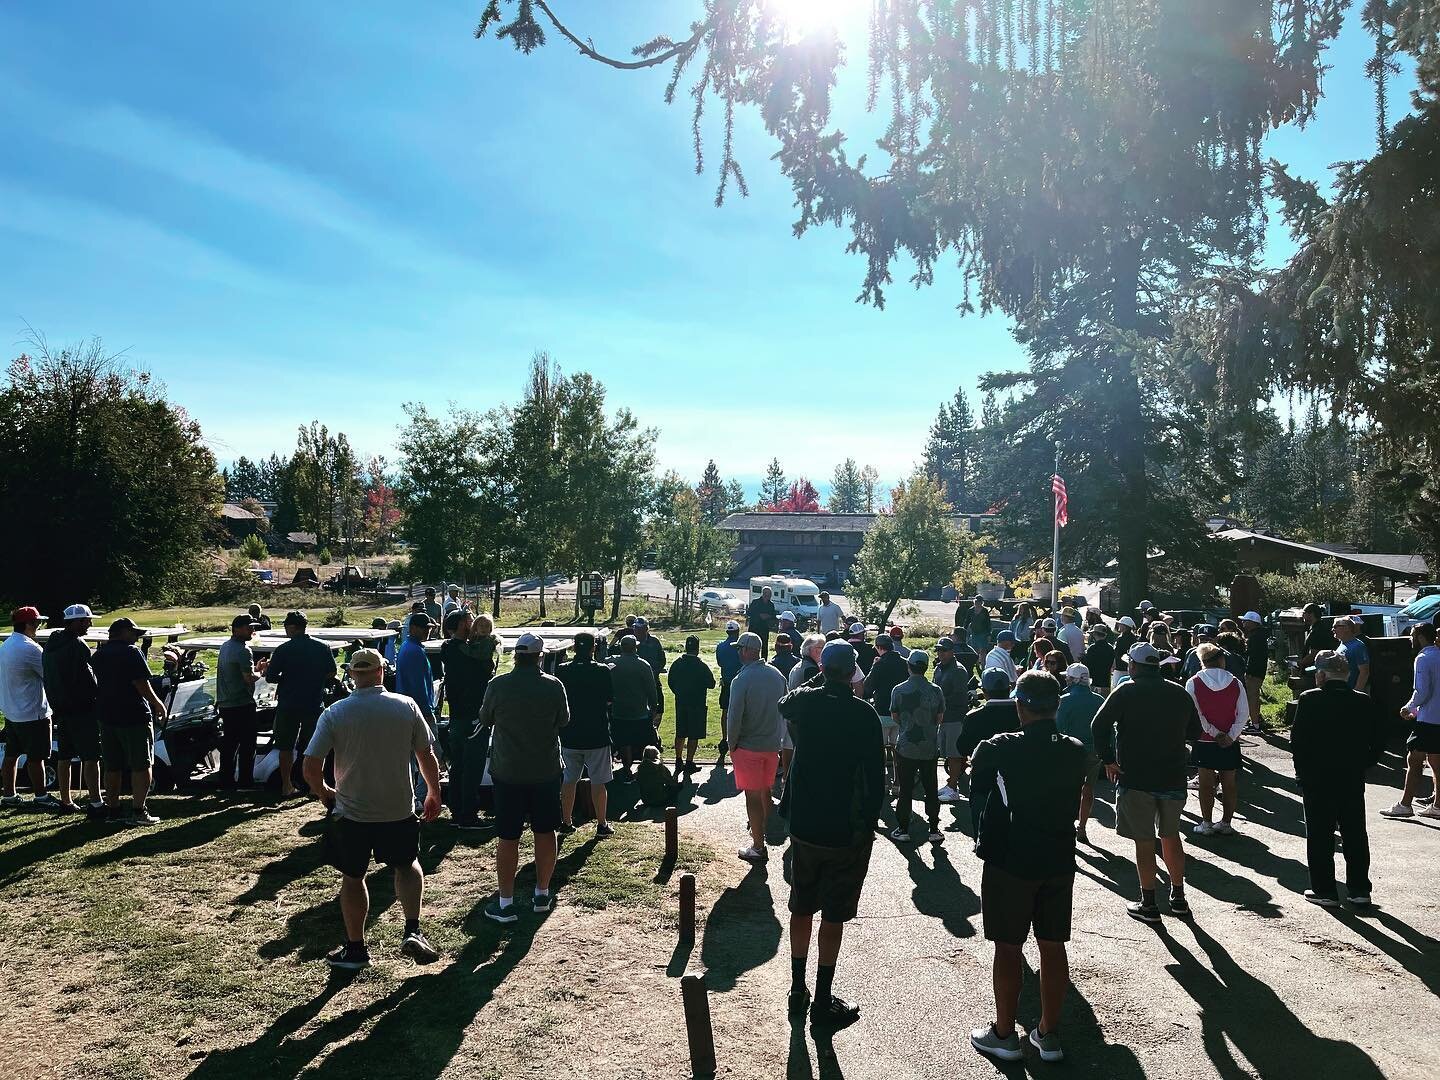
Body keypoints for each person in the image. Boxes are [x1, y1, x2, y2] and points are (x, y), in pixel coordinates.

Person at [969, 670, 1086, 1064]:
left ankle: (1004, 1034)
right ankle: (1048, 1033)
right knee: (1053, 945)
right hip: (1058, 857)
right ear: (1056, 706)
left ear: (1020, 706)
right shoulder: (1074, 749)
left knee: (1008, 945)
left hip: (1010, 859)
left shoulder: (1000, 746)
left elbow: (977, 784)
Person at [303, 648, 441, 969]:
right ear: (381, 672)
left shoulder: (335, 713)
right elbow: (426, 755)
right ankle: (412, 930)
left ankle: (356, 949)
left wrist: (324, 791)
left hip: (352, 812)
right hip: (398, 808)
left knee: (353, 878)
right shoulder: (406, 706)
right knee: (407, 865)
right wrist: (433, 791)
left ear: (352, 676)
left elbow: (311, 764)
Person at [778, 640, 885, 1031]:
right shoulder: (865, 715)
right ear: (853, 670)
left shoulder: (807, 703)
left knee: (801, 905)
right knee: (834, 914)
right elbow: (876, 778)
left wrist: (818, 683)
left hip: (805, 823)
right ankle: (823, 997)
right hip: (847, 827)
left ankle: (796, 988)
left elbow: (784, 704)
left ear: (823, 669)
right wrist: (871, 824)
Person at [1092, 643, 1202, 923]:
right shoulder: (1178, 692)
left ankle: (1149, 902)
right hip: (1173, 774)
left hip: (1136, 776)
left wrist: (1107, 759)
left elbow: (1098, 725)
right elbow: (1195, 731)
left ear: (1133, 666)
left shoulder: (1127, 690)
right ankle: (1178, 897)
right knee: (1171, 835)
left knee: (1144, 841)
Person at [480, 633, 569, 923]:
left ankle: (505, 901)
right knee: (545, 832)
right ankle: (541, 893)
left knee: (508, 836)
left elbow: (485, 718)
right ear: (540, 656)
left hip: (508, 771)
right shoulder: (553, 685)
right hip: (545, 770)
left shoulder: (498, 685)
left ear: (515, 655)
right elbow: (563, 719)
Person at [1291, 649, 1384, 905]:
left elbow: (1298, 741)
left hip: (1317, 777)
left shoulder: (1309, 699)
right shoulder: (1363, 701)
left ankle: (1324, 889)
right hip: (1351, 776)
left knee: (1320, 834)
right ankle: (1359, 890)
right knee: (1355, 833)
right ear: (1347, 674)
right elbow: (1377, 742)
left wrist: (1301, 772)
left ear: (1321, 675)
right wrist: (1363, 764)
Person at [92, 618, 169, 825]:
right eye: (134, 633)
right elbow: (141, 683)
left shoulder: (98, 655)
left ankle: (113, 810)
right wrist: (157, 703)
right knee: (142, 764)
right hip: (134, 715)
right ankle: (138, 811)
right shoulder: (131, 652)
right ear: (123, 632)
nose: (136, 637)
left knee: (112, 765)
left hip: (107, 716)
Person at [265, 610, 339, 800]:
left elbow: (271, 677)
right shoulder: (322, 647)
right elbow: (332, 672)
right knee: (314, 748)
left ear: (292, 627)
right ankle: (314, 786)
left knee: (286, 746)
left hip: (288, 703)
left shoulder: (283, 649)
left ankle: (286, 785)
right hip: (313, 702)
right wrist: (316, 679)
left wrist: (287, 677)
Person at [727, 632, 786, 862]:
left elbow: (734, 717)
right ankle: (760, 831)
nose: (738, 652)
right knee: (765, 791)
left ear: (745, 650)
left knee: (752, 796)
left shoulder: (741, 679)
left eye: (739, 648)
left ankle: (758, 845)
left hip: (748, 745)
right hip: (772, 744)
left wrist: (732, 745)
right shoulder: (777, 675)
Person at [440, 610, 499, 829]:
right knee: (473, 766)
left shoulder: (449, 649)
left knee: (458, 765)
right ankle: (468, 815)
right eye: (471, 620)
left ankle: (456, 811)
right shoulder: (473, 652)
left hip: (456, 715)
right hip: (473, 715)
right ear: (464, 623)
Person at [42, 603, 102, 813]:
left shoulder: (50, 645)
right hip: (82, 708)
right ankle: (96, 801)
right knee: (91, 756)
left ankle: (66, 801)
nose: (89, 624)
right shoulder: (78, 645)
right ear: (75, 622)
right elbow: (89, 680)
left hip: (60, 708)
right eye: (87, 621)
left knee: (65, 756)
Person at [555, 631, 615, 837]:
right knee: (599, 781)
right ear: (593, 648)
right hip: (596, 731)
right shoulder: (602, 670)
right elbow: (609, 700)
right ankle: (601, 823)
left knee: (569, 779)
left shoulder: (563, 670)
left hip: (570, 732)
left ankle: (566, 821)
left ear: (574, 647)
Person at [1185, 643, 1249, 836]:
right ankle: (1226, 822)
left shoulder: (1193, 682)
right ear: (1221, 660)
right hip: (1230, 741)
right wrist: (1230, 735)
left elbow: (1195, 713)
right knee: (1229, 782)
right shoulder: (1235, 682)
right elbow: (1243, 713)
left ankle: (1206, 822)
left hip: (1205, 740)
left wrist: (1213, 732)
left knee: (1205, 783)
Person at [0, 606, 59, 809]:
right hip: (33, 712)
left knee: (11, 755)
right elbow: (50, 675)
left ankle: (9, 794)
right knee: (37, 757)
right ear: (28, 624)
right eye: (37, 623)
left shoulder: (6, 645)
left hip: (12, 711)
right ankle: (41, 797)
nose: (38, 626)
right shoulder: (30, 648)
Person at [1382, 622, 1440, 819]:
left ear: (1421, 636)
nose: (1410, 638)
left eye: (1413, 634)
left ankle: (1405, 805)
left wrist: (1409, 707)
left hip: (1428, 719)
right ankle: (1437, 805)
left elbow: (1422, 691)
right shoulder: (1439, 654)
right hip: (1437, 718)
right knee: (1436, 761)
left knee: (1414, 760)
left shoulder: (1423, 658)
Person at [889, 650, 945, 843]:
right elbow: (939, 718)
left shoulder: (898, 689)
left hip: (906, 745)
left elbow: (895, 716)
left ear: (909, 666)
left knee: (905, 789)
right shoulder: (936, 690)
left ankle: (903, 828)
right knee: (931, 788)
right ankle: (934, 828)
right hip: (929, 745)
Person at [216, 613, 268, 790]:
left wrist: (255, 669)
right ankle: (245, 782)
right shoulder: (244, 650)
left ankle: (226, 782)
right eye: (249, 628)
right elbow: (248, 678)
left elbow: (239, 673)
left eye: (253, 628)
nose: (252, 631)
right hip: (241, 704)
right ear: (236, 629)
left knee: (229, 744)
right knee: (247, 745)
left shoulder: (225, 646)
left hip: (226, 703)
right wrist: (261, 672)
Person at [395, 612, 439, 814]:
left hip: (409, 709)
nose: (428, 631)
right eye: (424, 628)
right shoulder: (414, 651)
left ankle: (413, 796)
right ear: (413, 628)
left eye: (429, 628)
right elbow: (418, 686)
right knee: (428, 753)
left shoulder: (409, 647)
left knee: (413, 756)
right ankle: (421, 796)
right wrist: (427, 712)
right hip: (419, 710)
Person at [1055, 664, 1104, 843]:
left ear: (1071, 679)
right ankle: (1081, 827)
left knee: (1068, 790)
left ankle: (1067, 824)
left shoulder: (1065, 700)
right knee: (1088, 789)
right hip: (1093, 750)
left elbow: (1058, 728)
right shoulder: (1099, 700)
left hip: (1070, 750)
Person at [934, 637, 977, 803]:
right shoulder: (939, 668)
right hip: (943, 717)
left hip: (954, 717)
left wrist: (939, 702)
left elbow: (959, 697)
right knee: (947, 753)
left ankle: (953, 788)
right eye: (939, 650)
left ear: (952, 652)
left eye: (944, 650)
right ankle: (951, 784)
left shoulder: (958, 671)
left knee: (954, 754)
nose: (940, 653)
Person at [609, 635, 659, 777]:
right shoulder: (643, 665)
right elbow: (651, 689)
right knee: (643, 741)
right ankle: (645, 769)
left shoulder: (612, 663)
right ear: (635, 647)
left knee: (624, 742)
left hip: (619, 711)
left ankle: (626, 768)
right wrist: (654, 707)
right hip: (640, 711)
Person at [864, 633, 909, 790]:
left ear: (878, 648)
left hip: (882, 711)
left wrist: (873, 666)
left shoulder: (879, 664)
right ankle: (897, 783)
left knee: (881, 749)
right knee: (898, 750)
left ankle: (883, 782)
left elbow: (868, 686)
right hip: (901, 712)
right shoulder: (905, 663)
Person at [667, 634, 716, 775]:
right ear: (697, 648)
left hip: (681, 702)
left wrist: (678, 692)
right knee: (694, 734)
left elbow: (671, 681)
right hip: (697, 703)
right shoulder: (701, 666)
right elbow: (711, 684)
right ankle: (689, 761)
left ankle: (678, 759)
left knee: (680, 732)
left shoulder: (677, 664)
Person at [715, 620, 743, 768]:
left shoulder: (720, 646)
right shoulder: (740, 647)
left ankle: (724, 738)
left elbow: (719, 663)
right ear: (737, 631)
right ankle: (737, 738)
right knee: (740, 711)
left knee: (725, 712)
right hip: (739, 682)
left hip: (726, 682)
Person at [632, 617, 667, 732]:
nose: (636, 631)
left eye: (639, 628)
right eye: (635, 628)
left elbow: (662, 660)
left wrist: (655, 671)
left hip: (653, 680)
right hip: (637, 683)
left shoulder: (654, 641)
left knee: (659, 707)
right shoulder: (631, 642)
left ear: (646, 629)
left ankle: (654, 732)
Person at [1240, 611, 1268, 733]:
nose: (1243, 623)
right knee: (1254, 697)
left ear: (1253, 623)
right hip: (1258, 670)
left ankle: (1255, 725)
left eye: (1245, 621)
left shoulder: (1255, 637)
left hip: (1254, 671)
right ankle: (1254, 722)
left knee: (1252, 698)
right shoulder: (1259, 635)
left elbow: (1252, 655)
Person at [1333, 616, 1371, 694]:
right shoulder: (1342, 645)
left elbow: (1364, 672)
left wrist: (1356, 693)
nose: (1333, 629)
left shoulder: (1358, 646)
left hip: (1352, 693)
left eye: (1336, 626)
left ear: (1347, 628)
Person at [1298, 602, 1337, 669]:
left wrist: (1300, 663)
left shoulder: (1318, 630)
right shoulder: (1317, 627)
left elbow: (1314, 654)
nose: (1302, 615)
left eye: (1304, 613)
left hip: (1319, 668)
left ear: (1312, 614)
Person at [1081, 625, 1115, 693]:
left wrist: (1082, 658)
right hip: (1106, 683)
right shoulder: (1110, 648)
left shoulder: (1092, 648)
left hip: (1094, 683)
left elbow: (1087, 665)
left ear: (1095, 634)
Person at [747, 586, 778, 657]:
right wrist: (759, 615)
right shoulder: (755, 602)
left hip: (764, 629)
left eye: (770, 594)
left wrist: (768, 616)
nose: (769, 596)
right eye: (768, 594)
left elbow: (774, 616)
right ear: (764, 593)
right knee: (752, 646)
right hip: (754, 628)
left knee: (764, 647)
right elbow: (749, 613)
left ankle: (764, 662)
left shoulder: (771, 604)